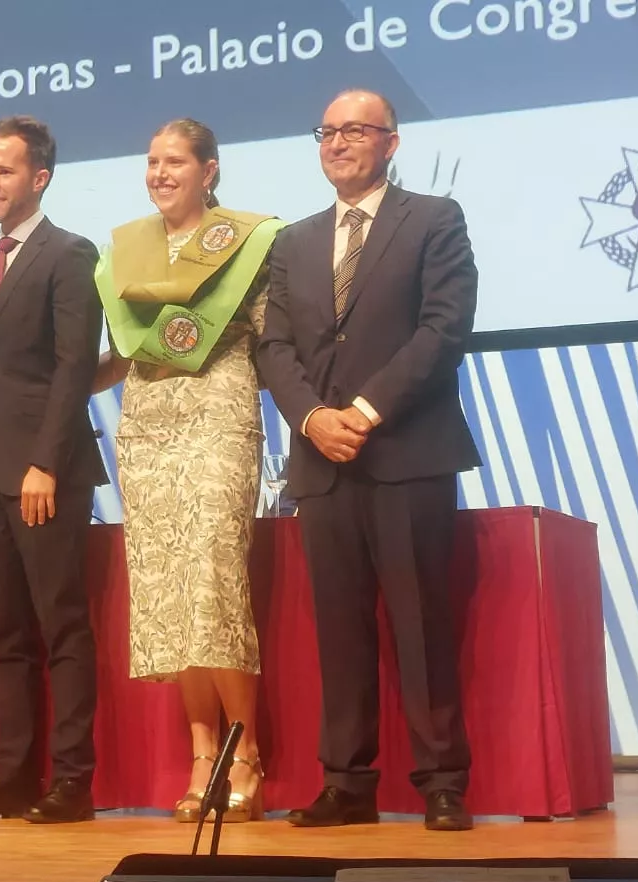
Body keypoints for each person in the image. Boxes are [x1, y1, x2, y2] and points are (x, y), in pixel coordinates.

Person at [256, 89, 481, 831]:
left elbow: (443, 330)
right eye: (327, 130)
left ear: (391, 142)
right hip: (322, 463)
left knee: (420, 623)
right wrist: (315, 417)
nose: (338, 141)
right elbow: (274, 347)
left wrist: (365, 410)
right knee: (339, 630)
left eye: (356, 129)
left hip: (407, 453)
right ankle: (347, 782)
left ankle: (442, 780)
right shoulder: (291, 242)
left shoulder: (434, 219)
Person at [91, 118, 284, 823]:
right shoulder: (126, 250)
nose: (160, 172)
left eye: (175, 160)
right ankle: (202, 752)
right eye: (152, 161)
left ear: (210, 170)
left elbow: (273, 339)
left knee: (212, 584)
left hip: (219, 409)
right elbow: (119, 352)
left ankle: (247, 752)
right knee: (169, 594)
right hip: (146, 419)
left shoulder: (250, 241)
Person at [0, 116, 105, 825]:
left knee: (61, 624)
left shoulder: (71, 253)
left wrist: (45, 462)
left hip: (44, 471)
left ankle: (72, 780)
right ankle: (12, 774)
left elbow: (73, 367)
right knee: (6, 631)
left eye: (4, 171)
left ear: (40, 178)